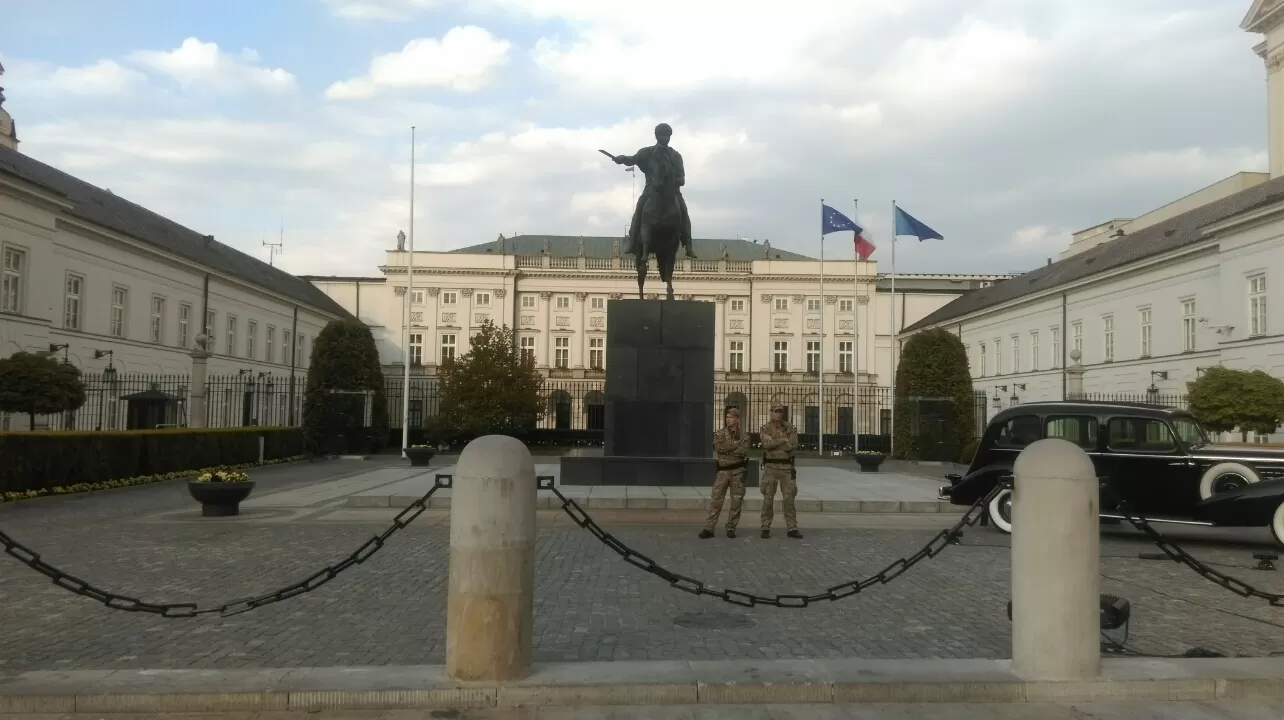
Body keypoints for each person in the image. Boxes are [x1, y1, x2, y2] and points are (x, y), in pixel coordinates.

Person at [612, 123, 697, 260]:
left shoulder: (676, 156)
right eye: (662, 135)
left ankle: (688, 245)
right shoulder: (646, 152)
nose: (665, 138)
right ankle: (632, 241)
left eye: (667, 135)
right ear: (656, 136)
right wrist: (621, 159)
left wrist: (670, 183)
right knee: (639, 209)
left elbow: (682, 179)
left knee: (684, 212)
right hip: (650, 190)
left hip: (672, 192)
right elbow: (631, 160)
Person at [701, 406, 749, 539]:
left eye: (731, 417)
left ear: (737, 419)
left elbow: (743, 452)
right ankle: (709, 528)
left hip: (738, 472)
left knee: (736, 501)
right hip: (723, 472)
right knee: (716, 501)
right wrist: (735, 446)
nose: (728, 420)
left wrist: (730, 449)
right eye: (727, 417)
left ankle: (731, 528)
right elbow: (719, 448)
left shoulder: (744, 436)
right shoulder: (720, 433)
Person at [759, 403, 802, 539]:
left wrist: (775, 441)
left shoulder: (790, 427)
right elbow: (766, 445)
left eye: (780, 412)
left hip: (786, 468)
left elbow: (792, 445)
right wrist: (783, 440)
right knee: (768, 499)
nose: (778, 414)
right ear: (771, 412)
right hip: (770, 468)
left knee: (789, 498)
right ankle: (765, 526)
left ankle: (792, 527)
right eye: (776, 411)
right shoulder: (765, 428)